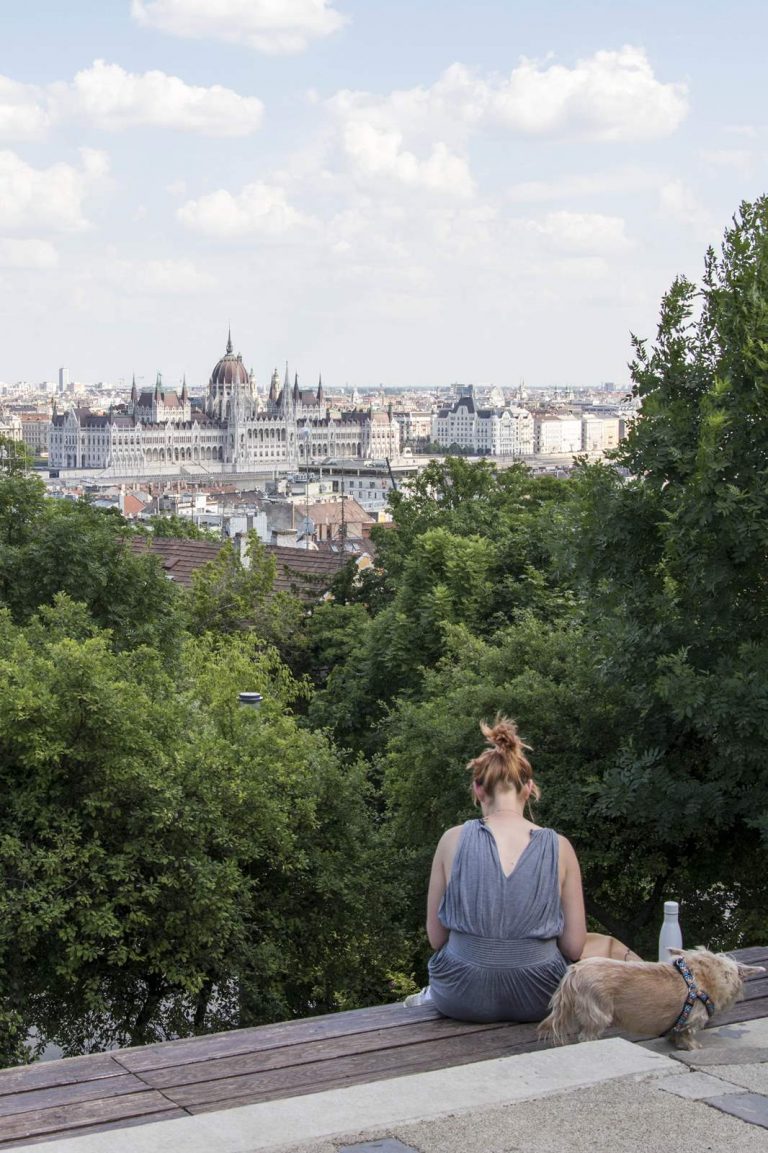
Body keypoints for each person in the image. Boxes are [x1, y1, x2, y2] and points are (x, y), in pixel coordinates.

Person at [406, 716, 639, 1021]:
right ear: (528, 789)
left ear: (478, 790)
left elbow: (437, 939)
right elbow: (573, 945)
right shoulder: (560, 847)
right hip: (540, 997)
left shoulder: (451, 840)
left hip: (459, 995)